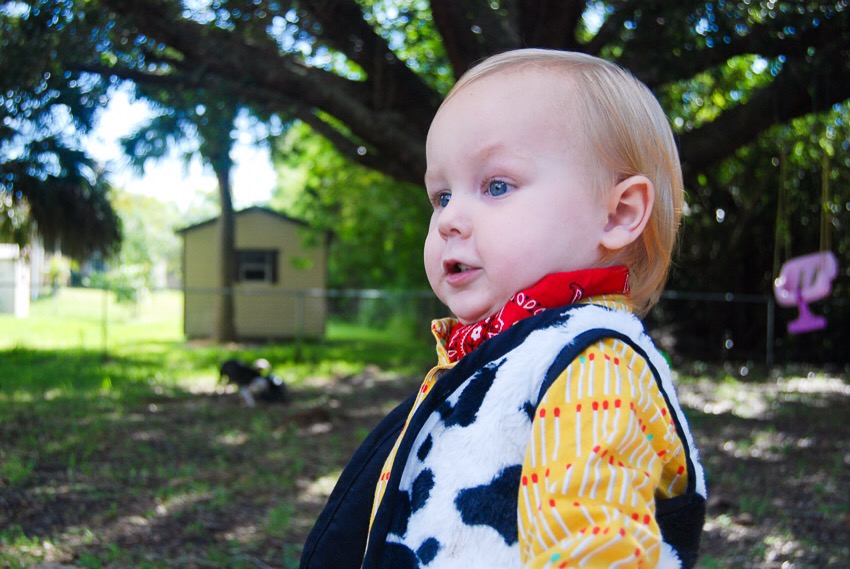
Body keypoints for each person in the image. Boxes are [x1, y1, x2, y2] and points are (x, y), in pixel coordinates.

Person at [300, 48, 706, 569]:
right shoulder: (506, 352)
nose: (448, 220)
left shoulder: (590, 367)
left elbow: (592, 552)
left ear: (618, 214)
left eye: (496, 186)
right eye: (442, 196)